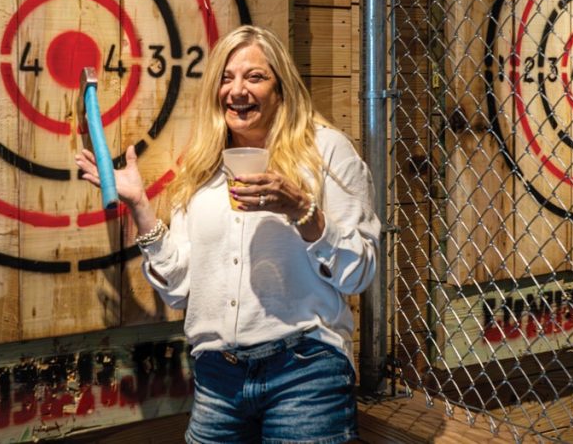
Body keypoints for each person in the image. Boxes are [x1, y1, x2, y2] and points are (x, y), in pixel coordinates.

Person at [76, 25, 380, 444]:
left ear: (281, 88)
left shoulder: (326, 153)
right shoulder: (202, 168)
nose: (238, 90)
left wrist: (302, 209)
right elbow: (179, 289)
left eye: (255, 77)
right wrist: (140, 206)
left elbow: (359, 273)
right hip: (218, 376)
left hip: (305, 370)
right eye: (226, 77)